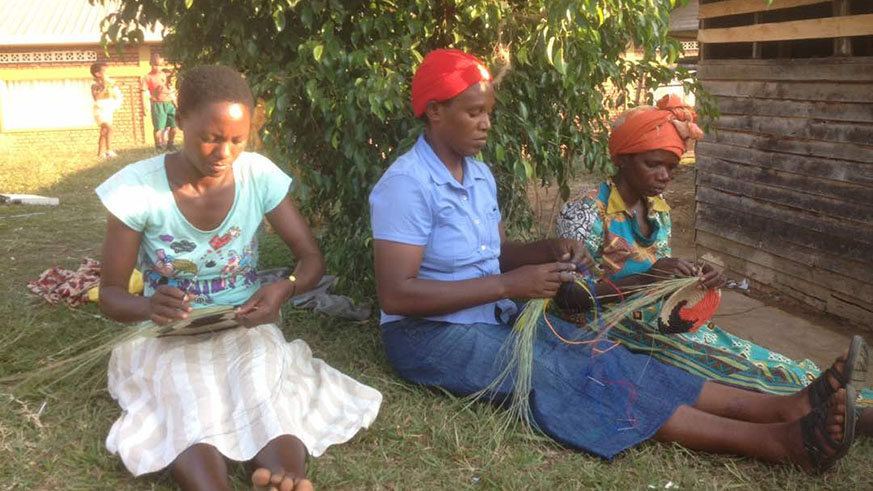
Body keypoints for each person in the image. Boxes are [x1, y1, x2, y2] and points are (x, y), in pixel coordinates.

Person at [369, 49, 857, 474]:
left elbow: (495, 256)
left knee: (607, 354)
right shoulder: (407, 185)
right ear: (434, 112)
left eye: (489, 112)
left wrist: (548, 250)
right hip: (427, 337)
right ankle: (777, 443)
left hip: (492, 318)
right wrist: (510, 286)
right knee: (568, 375)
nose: (486, 124)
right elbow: (398, 295)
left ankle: (781, 407)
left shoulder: (478, 176)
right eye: (474, 113)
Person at [97, 65, 382, 490]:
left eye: (237, 140)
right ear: (179, 121)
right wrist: (147, 305)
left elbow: (310, 260)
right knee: (188, 395)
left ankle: (284, 477)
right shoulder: (137, 191)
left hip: (243, 322)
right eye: (211, 137)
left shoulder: (257, 176)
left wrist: (283, 289)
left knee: (262, 384)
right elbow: (111, 296)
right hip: (167, 333)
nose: (223, 153)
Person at [553, 95, 872, 428]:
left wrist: (691, 278)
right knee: (724, 362)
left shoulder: (657, 210)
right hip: (602, 328)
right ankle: (840, 407)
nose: (664, 175)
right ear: (622, 158)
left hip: (651, 319)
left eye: (672, 167)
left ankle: (834, 390)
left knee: (744, 352)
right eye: (654, 164)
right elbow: (570, 297)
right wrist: (651, 278)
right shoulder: (587, 212)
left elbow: (659, 277)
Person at [142, 53, 178, 152]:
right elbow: (143, 92)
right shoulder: (147, 77)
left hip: (169, 103)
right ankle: (158, 145)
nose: (157, 67)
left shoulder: (163, 74)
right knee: (159, 127)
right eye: (155, 65)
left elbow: (169, 89)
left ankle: (170, 144)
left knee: (174, 125)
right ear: (151, 63)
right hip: (158, 104)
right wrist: (145, 105)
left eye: (160, 65)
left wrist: (175, 103)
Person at [91, 62, 122, 159]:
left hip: (108, 109)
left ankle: (100, 153)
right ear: (97, 74)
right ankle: (109, 150)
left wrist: (112, 88)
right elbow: (97, 97)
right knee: (109, 128)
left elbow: (114, 95)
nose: (106, 74)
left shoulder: (110, 84)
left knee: (104, 131)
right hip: (99, 109)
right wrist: (105, 87)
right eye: (104, 72)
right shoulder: (94, 85)